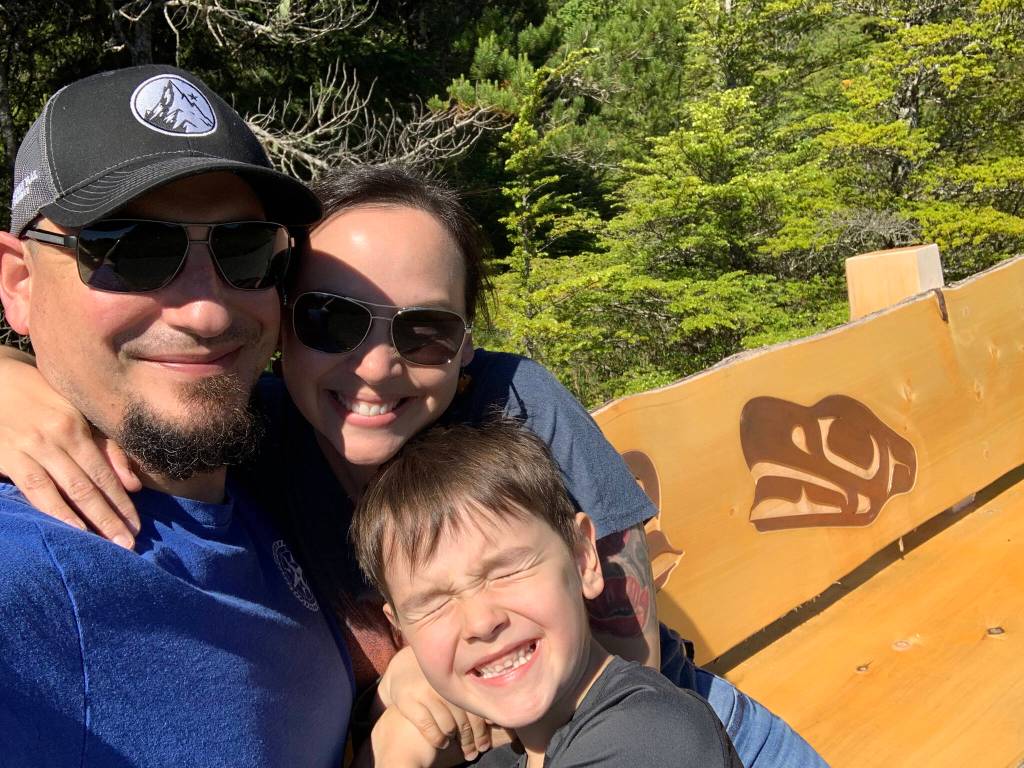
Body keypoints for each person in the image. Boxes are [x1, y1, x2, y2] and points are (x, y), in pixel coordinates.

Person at [0, 165, 827, 767]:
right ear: (280, 323)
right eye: (330, 320)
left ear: (464, 348)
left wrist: (415, 693)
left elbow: (620, 672)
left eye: (424, 333)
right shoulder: (255, 433)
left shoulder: (514, 404)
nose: (374, 367)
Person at [0, 65, 350, 766]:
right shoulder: (25, 576)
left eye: (245, 250)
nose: (208, 313)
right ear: (19, 284)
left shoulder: (284, 449)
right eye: (133, 251)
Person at [351, 419, 743, 768]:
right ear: (401, 629)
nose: (481, 622)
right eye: (433, 603)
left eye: (506, 571)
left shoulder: (648, 735)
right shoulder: (513, 753)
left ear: (584, 558)